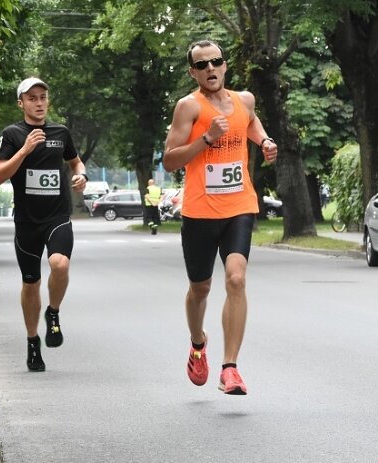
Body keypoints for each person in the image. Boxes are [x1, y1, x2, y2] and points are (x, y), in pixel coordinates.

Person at [162, 40, 278, 395]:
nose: (210, 69)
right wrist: (206, 141)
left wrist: (264, 141)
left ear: (225, 65)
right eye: (202, 65)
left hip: (239, 205)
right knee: (201, 288)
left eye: (216, 62)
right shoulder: (188, 107)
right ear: (193, 72)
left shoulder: (244, 100)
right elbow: (169, 160)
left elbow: (251, 123)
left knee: (236, 279)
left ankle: (230, 369)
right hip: (199, 211)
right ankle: (198, 343)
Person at [0, 77, 88, 372]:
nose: (39, 103)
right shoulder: (12, 134)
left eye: (43, 97)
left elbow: (75, 162)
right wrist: (24, 150)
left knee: (60, 265)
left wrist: (81, 175)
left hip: (57, 216)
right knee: (30, 283)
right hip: (27, 222)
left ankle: (54, 312)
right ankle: (33, 342)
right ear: (21, 103)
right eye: (32, 98)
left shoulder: (61, 132)